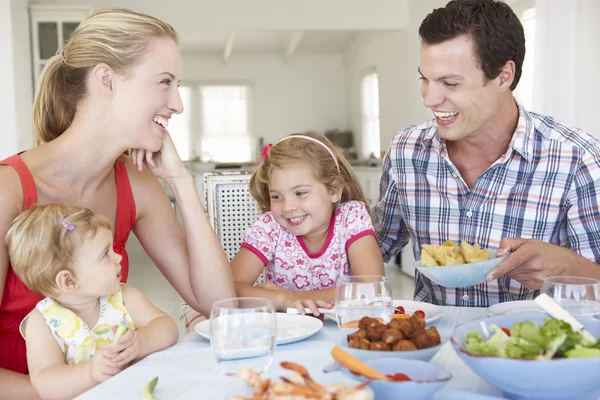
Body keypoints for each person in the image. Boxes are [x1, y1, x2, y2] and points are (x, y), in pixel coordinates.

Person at [0, 8, 234, 397]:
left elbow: (219, 305)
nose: (177, 104)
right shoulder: (7, 190)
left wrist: (180, 181)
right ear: (106, 79)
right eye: (164, 82)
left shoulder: (137, 184)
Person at [375, 0, 600, 306]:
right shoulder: (406, 150)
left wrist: (568, 268)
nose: (429, 98)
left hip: (532, 350)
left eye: (450, 83)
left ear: (503, 76)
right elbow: (374, 245)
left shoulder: (577, 159)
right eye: (424, 79)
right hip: (431, 347)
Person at [5, 204, 178, 400]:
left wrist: (141, 342)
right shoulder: (42, 322)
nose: (118, 256)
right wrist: (90, 373)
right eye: (105, 254)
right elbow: (46, 384)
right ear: (68, 281)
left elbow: (168, 327)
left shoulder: (124, 298)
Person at [231, 132, 385, 314]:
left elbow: (372, 289)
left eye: (300, 193)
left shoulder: (351, 218)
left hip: (343, 330)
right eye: (277, 196)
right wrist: (283, 299)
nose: (288, 207)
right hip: (288, 333)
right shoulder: (269, 228)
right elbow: (229, 290)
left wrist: (292, 298)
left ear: (334, 190)